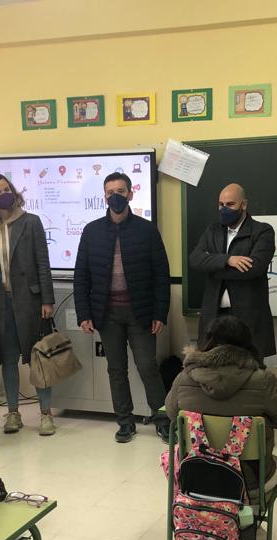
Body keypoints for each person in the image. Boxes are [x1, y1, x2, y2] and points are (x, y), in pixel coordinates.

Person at [74, 172, 171, 443]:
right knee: (116, 370)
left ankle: (163, 420)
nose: (115, 196)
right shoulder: (91, 231)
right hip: (107, 314)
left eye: (120, 191)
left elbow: (161, 274)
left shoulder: (146, 230)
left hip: (141, 313)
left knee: (147, 367)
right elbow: (81, 276)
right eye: (110, 192)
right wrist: (84, 314)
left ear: (130, 194)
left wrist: (160, 313)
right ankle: (125, 422)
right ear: (104, 196)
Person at [165, 314, 277, 484]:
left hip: (195, 479)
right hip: (250, 482)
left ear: (208, 342)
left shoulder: (185, 376)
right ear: (248, 344)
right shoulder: (263, 380)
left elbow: (172, 414)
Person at [0, 172, 57, 436]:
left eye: (6, 189)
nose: (4, 195)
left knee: (37, 358)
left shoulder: (31, 222)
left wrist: (47, 300)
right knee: (8, 360)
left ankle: (46, 414)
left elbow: (43, 263)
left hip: (29, 301)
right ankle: (13, 413)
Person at [188, 183, 276, 361]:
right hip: (215, 316)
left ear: (244, 205)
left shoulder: (262, 231)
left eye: (230, 204)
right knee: (214, 369)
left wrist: (214, 269)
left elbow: (254, 268)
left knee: (250, 368)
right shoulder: (212, 230)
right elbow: (195, 259)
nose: (224, 209)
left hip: (247, 317)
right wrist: (228, 260)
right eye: (221, 204)